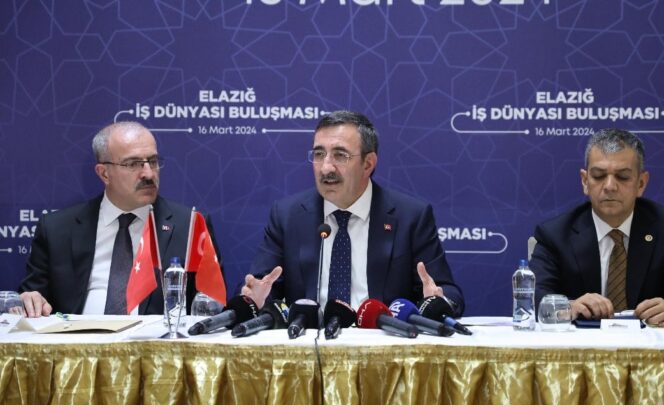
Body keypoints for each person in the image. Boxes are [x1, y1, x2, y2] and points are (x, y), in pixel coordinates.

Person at [241, 110, 465, 316]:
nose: (326, 167)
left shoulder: (410, 217)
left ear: (368, 164)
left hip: (382, 341)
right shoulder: (287, 216)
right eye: (319, 154)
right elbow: (259, 286)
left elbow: (449, 294)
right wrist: (256, 298)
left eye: (340, 155)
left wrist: (437, 302)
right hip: (309, 341)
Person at [18, 121, 220, 317]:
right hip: (75, 338)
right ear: (104, 174)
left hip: (156, 339)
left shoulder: (191, 226)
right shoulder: (56, 229)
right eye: (133, 164)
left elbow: (211, 305)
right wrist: (31, 300)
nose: (148, 173)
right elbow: (33, 298)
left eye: (153, 161)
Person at [529, 128, 664, 327]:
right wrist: (568, 306)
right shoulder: (555, 234)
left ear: (641, 183)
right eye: (598, 176)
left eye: (622, 177)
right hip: (582, 342)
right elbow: (533, 296)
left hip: (649, 343)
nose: (610, 186)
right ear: (585, 181)